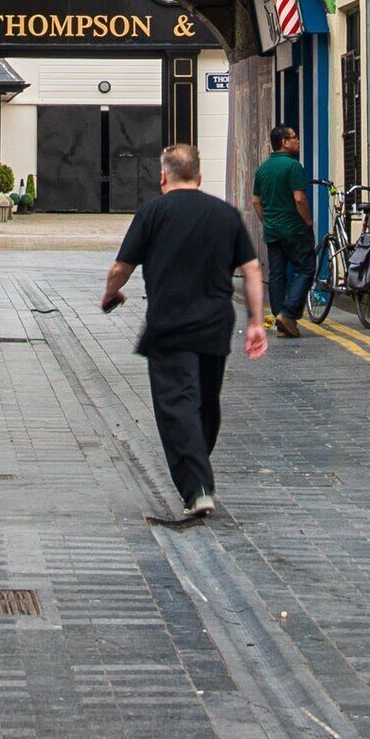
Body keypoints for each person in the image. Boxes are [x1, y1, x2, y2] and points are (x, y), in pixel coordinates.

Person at [103, 142, 268, 524]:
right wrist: (257, 322)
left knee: (177, 405)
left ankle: (197, 489)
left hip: (169, 325)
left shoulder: (152, 213)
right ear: (199, 176)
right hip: (215, 325)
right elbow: (252, 269)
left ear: (163, 176)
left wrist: (110, 294)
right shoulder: (225, 214)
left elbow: (120, 267)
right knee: (205, 403)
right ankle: (199, 472)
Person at [250, 125, 316, 335]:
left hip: (272, 231)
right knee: (306, 269)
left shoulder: (263, 169)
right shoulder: (293, 166)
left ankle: (281, 321)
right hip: (294, 228)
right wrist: (307, 221)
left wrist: (266, 222)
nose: (297, 140)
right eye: (293, 137)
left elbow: (255, 202)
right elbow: (299, 198)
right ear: (284, 142)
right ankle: (287, 314)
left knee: (277, 274)